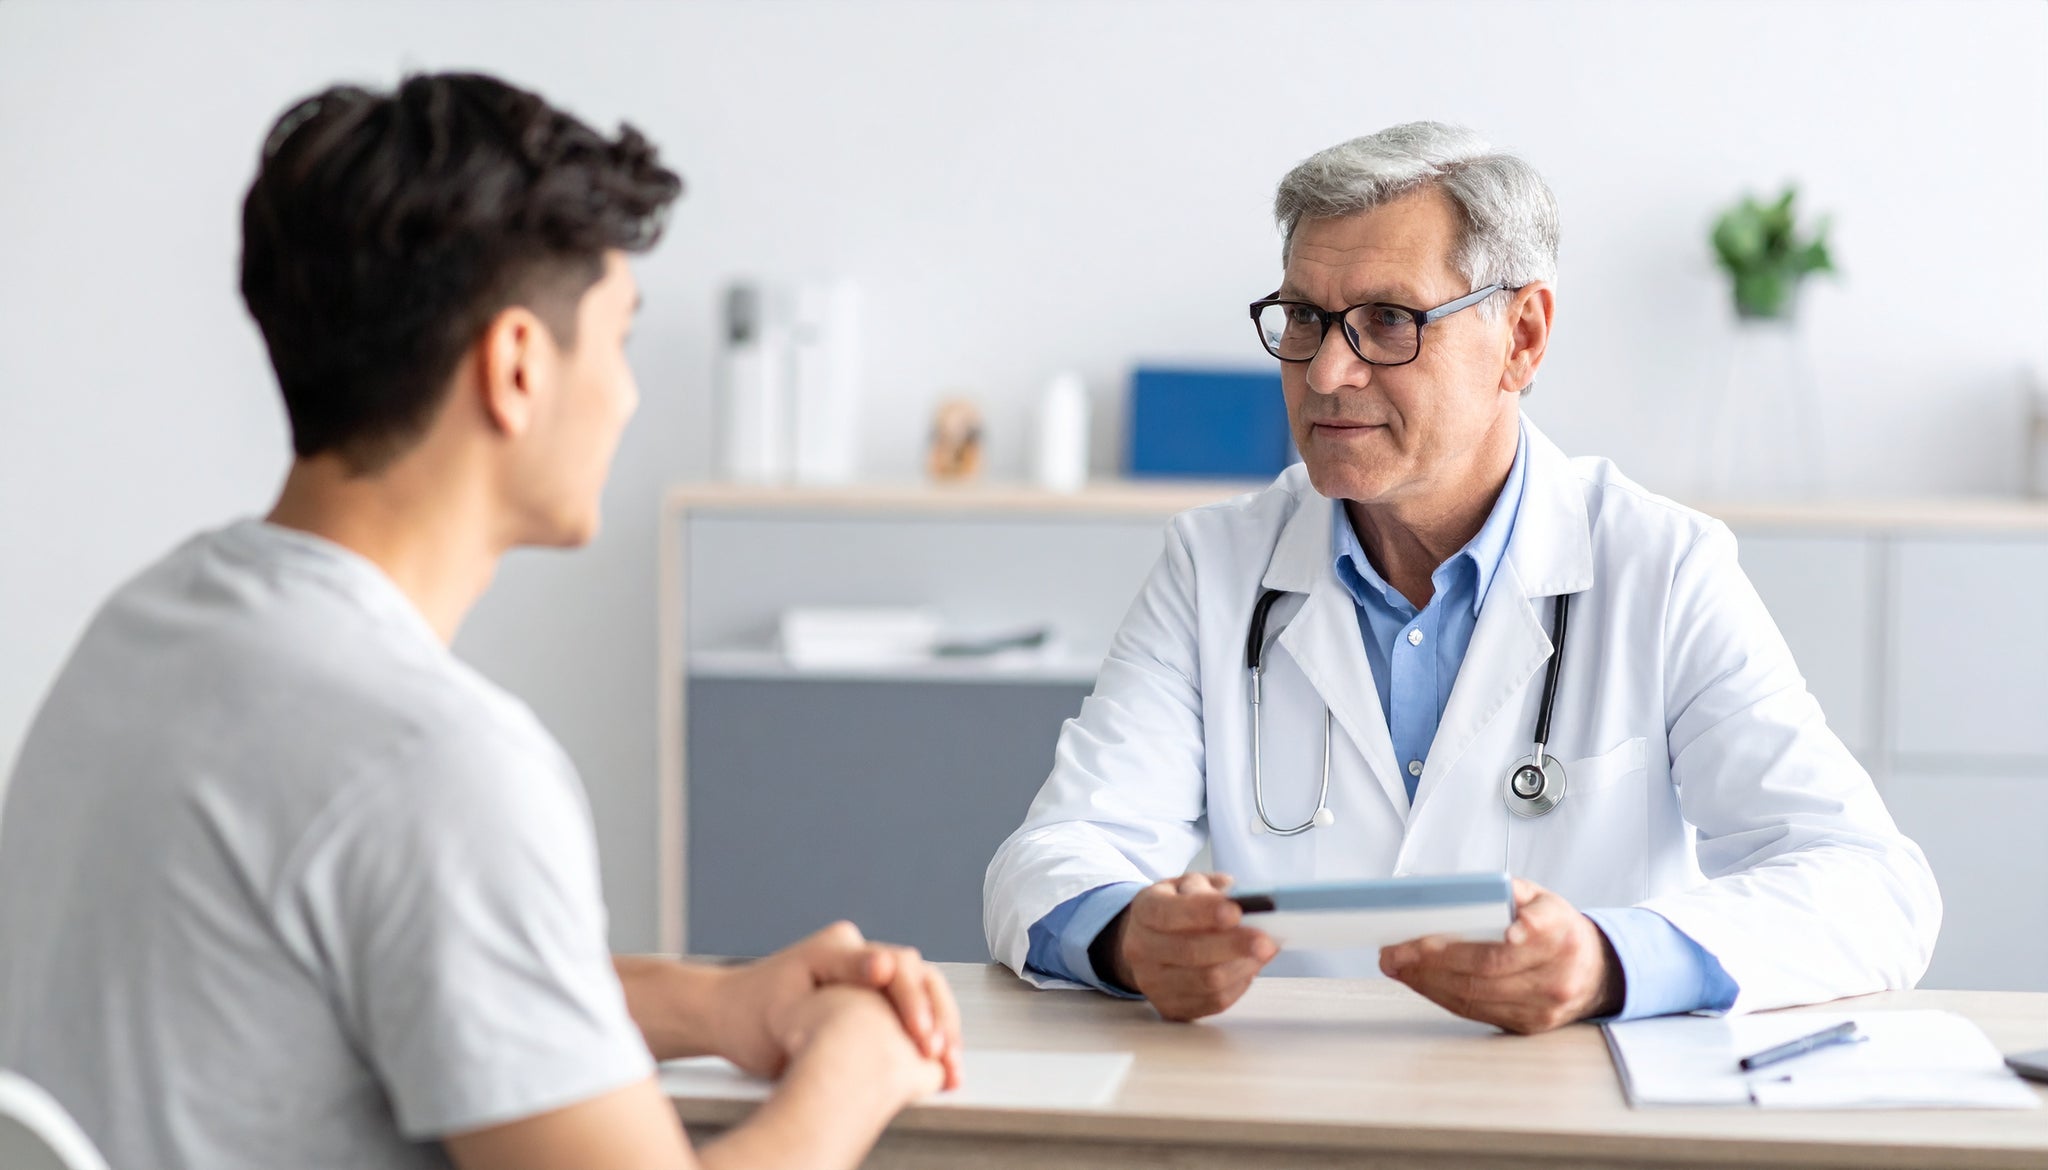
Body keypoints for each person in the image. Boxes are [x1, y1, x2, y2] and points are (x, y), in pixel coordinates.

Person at [0, 73, 959, 1170]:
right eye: (617, 341)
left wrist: (713, 1003)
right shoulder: (430, 764)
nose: (627, 397)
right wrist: (858, 1067)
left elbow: (373, 984)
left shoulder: (146, 631)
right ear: (515, 368)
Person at [984, 121, 1940, 1032]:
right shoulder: (1215, 567)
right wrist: (1127, 936)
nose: (1326, 373)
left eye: (1388, 321)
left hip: (1568, 1099)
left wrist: (1606, 960)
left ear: (1521, 338)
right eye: (1307, 317)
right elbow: (1052, 856)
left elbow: (1870, 886)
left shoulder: (1662, 568)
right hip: (1290, 1100)